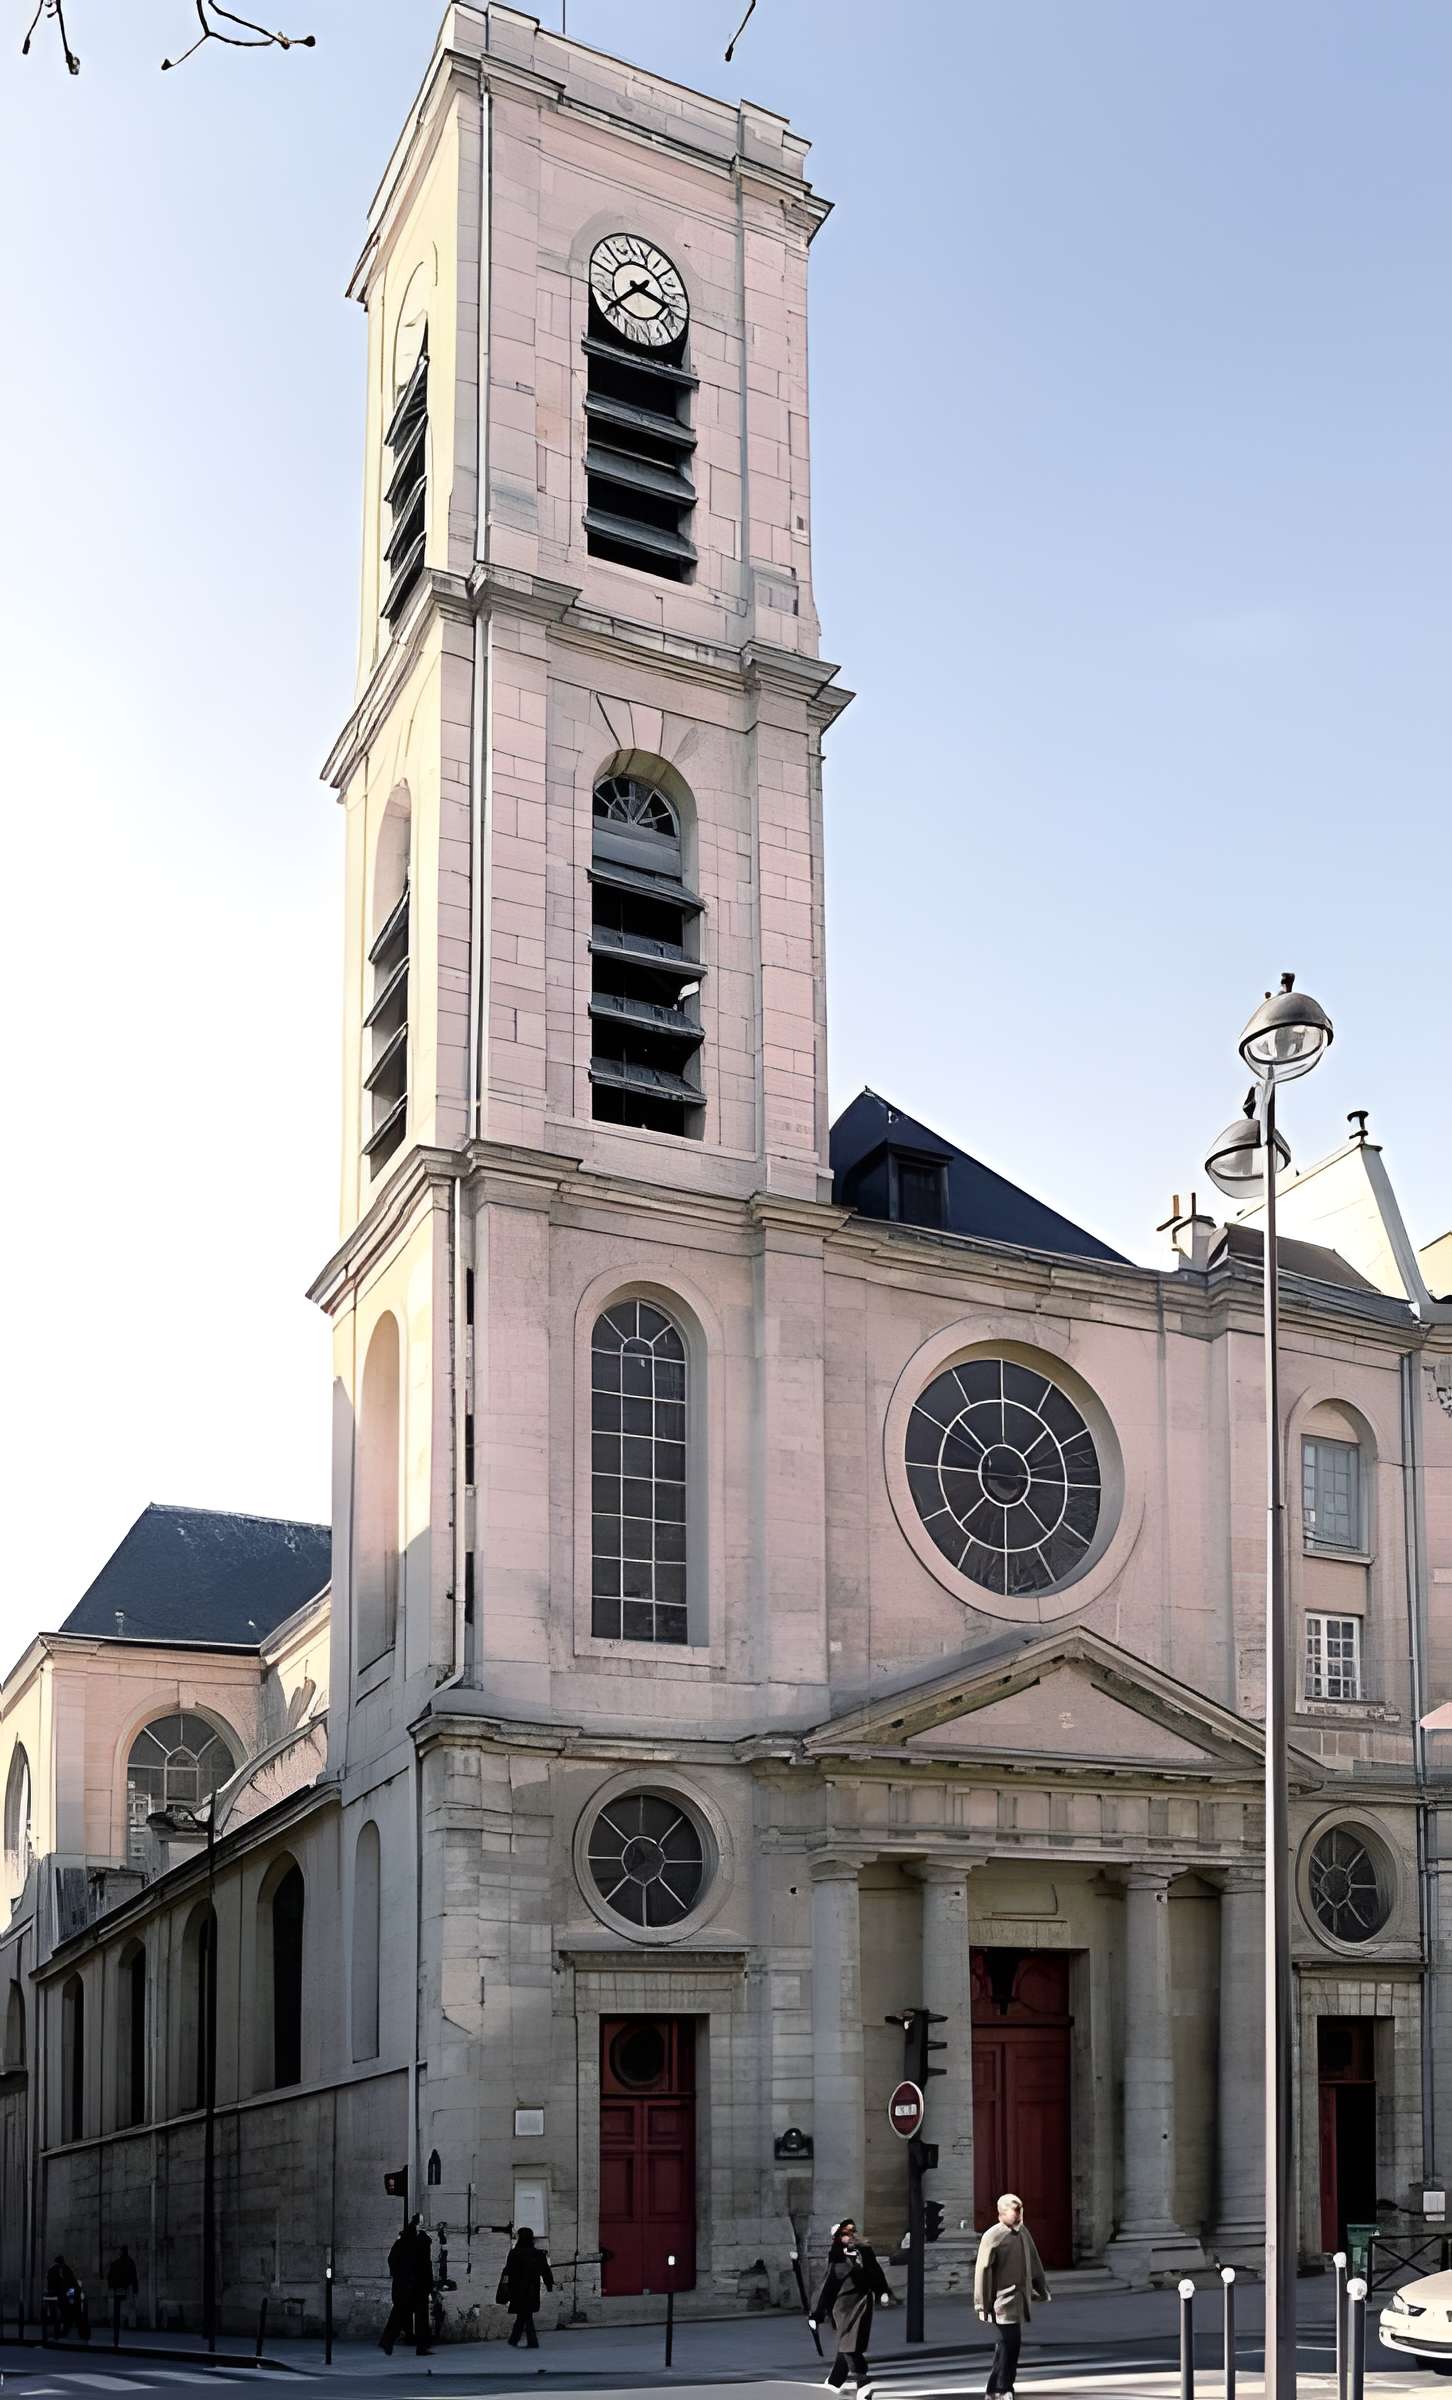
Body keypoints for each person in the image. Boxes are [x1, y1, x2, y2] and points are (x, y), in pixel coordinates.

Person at [974, 2192, 1050, 2400]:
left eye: (1020, 2210)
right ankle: (1003, 2388)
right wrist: (982, 2304)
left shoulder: (1023, 2232)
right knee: (1011, 2343)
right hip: (1001, 2301)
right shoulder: (993, 2236)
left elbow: (1034, 2260)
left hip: (1020, 2299)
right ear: (1002, 2213)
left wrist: (1041, 2287)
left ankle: (995, 2389)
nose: (1019, 2214)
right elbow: (982, 2272)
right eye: (1014, 2211)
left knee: (1006, 2345)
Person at [809, 2218, 895, 2389]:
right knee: (849, 2344)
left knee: (849, 2342)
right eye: (845, 2233)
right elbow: (827, 2285)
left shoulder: (865, 2250)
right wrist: (816, 2314)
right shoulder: (836, 2257)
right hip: (843, 2307)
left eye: (852, 2231)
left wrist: (883, 2292)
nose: (851, 2235)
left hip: (863, 2304)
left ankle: (835, 2380)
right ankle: (861, 2379)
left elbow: (875, 2272)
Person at [379, 2215, 434, 2355]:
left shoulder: (408, 2241)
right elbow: (425, 2266)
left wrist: (400, 2276)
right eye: (420, 2223)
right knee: (411, 2315)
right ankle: (419, 2346)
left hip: (411, 2285)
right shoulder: (416, 2242)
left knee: (403, 2313)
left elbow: (392, 2260)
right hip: (415, 2285)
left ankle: (388, 2341)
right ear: (416, 2224)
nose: (422, 2225)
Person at [496, 2226, 554, 2348]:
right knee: (525, 2315)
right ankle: (523, 2340)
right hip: (532, 2289)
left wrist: (504, 2285)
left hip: (517, 2289)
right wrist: (549, 2284)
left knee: (524, 2315)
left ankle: (520, 2340)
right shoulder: (537, 2254)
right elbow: (545, 2271)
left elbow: (507, 2271)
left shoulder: (514, 2253)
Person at [106, 2247, 139, 2332]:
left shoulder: (116, 2263)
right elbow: (134, 2276)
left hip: (119, 2287)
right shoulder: (130, 2262)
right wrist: (135, 2289)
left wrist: (111, 2286)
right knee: (130, 2306)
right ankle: (130, 2324)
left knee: (118, 2307)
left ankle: (119, 2323)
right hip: (128, 2286)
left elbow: (110, 2276)